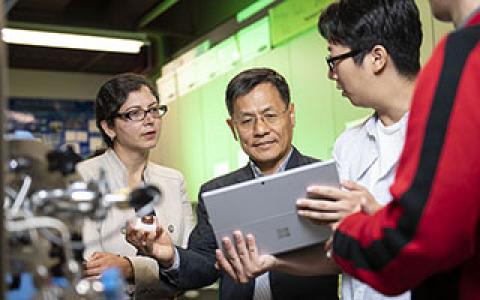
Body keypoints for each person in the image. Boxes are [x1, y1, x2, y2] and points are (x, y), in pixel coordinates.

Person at [221, 0, 480, 299]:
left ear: (376, 58)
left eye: (334, 61)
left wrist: (376, 220)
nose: (332, 75)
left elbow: (440, 236)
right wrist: (276, 262)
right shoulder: (349, 145)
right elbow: (341, 253)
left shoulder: (452, 113)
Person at [126, 68, 339, 299]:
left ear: (291, 115)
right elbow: (204, 267)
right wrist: (169, 255)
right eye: (247, 121)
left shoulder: (323, 181)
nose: (260, 130)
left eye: (270, 116)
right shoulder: (217, 192)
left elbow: (346, 256)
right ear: (232, 128)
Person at [77, 73, 194, 299]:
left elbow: (188, 268)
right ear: (109, 127)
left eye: (153, 110)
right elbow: (92, 269)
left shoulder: (173, 181)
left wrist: (129, 267)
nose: (149, 120)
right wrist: (161, 267)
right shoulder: (84, 177)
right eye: (135, 114)